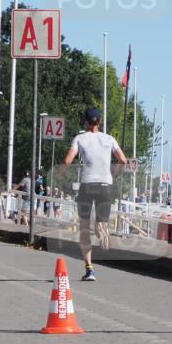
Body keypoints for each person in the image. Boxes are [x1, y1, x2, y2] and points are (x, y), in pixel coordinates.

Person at [62, 107, 128, 281]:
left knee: (84, 229)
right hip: (105, 186)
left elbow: (68, 160)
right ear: (100, 122)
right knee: (101, 225)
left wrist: (61, 172)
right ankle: (102, 232)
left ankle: (90, 270)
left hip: (87, 186)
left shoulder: (79, 138)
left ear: (85, 121)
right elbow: (123, 160)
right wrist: (114, 174)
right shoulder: (109, 139)